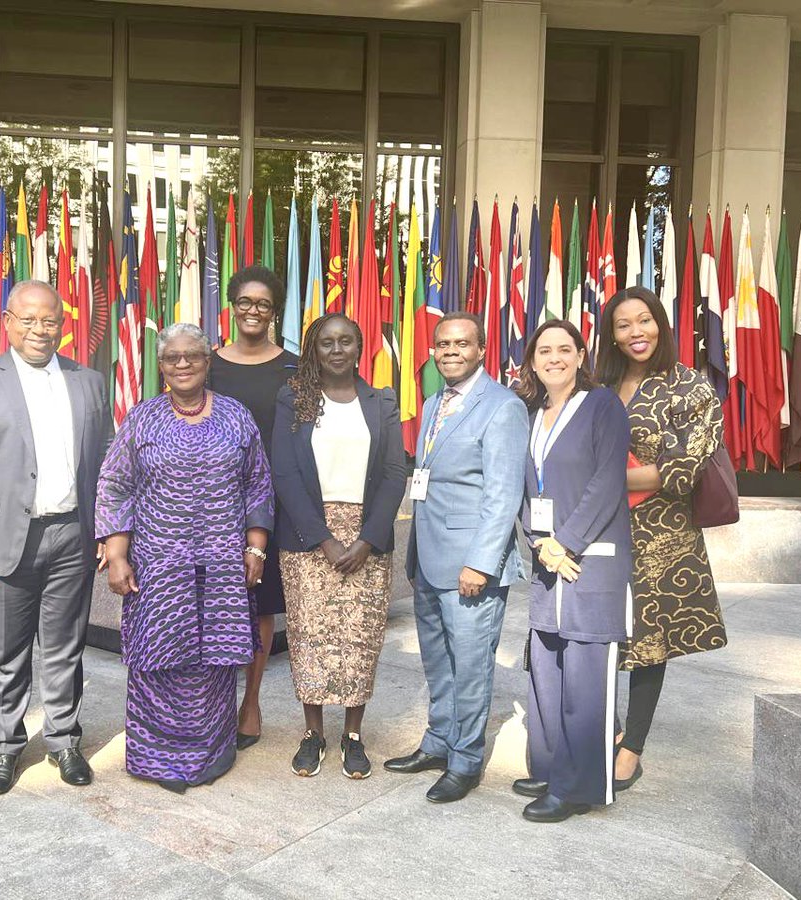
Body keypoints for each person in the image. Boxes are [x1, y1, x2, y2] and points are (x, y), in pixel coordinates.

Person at [0, 280, 112, 795]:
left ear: (64, 325)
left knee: (64, 647)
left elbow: (105, 462)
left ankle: (63, 741)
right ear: (8, 322)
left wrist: (106, 528)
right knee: (6, 651)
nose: (41, 330)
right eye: (29, 319)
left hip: (73, 535)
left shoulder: (89, 382)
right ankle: (5, 748)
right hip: (4, 540)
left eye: (51, 320)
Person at [95, 322, 272, 792]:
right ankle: (158, 758)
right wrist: (116, 554)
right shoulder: (143, 418)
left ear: (207, 361)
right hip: (158, 563)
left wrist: (256, 545)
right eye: (172, 357)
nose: (182, 364)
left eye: (192, 355)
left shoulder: (236, 416)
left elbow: (257, 482)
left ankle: (210, 756)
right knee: (159, 657)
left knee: (214, 660)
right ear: (161, 366)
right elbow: (116, 485)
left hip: (221, 563)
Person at [384, 312, 529, 802]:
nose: (450, 351)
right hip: (428, 558)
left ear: (481, 350)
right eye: (442, 343)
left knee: (470, 665)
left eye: (461, 344)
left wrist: (482, 563)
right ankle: (439, 741)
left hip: (471, 565)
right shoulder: (431, 405)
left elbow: (503, 494)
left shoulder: (503, 407)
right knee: (438, 662)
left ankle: (466, 759)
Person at [596, 287, 728, 791]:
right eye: (624, 324)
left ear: (661, 325)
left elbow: (681, 468)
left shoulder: (689, 387)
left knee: (650, 640)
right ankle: (602, 732)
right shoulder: (600, 385)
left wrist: (601, 474)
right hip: (601, 527)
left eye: (644, 321)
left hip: (661, 533)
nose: (636, 333)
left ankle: (632, 749)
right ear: (611, 334)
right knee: (601, 631)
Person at [271, 313, 406, 780]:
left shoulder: (381, 400)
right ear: (314, 348)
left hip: (367, 535)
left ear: (359, 347)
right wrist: (324, 540)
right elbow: (284, 474)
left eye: (346, 341)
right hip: (309, 537)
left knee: (358, 639)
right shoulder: (294, 399)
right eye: (327, 342)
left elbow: (394, 472)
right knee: (310, 638)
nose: (336, 349)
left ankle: (352, 734)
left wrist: (367, 539)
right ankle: (313, 733)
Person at [513, 319, 632, 823]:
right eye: (545, 350)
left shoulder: (602, 405)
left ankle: (581, 786)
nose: (554, 358)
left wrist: (567, 542)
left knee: (585, 674)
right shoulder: (530, 413)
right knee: (546, 664)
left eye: (565, 349)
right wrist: (541, 544)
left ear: (582, 355)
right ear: (533, 359)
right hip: (548, 562)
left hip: (590, 565)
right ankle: (551, 767)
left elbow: (608, 482)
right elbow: (524, 490)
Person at [206, 264, 298, 750]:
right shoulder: (207, 364)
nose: (253, 310)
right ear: (233, 305)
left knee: (259, 603)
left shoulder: (294, 368)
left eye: (263, 304)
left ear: (274, 311)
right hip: (212, 504)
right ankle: (215, 701)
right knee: (217, 605)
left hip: (273, 506)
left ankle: (252, 701)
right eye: (245, 301)